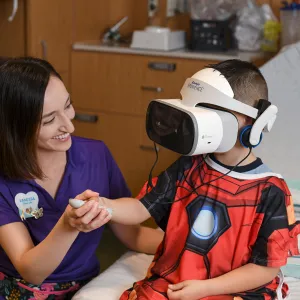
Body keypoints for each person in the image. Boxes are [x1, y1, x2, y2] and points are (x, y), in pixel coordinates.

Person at [80, 60, 300, 300]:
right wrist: (103, 206)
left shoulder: (271, 190)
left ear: (251, 119)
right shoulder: (188, 166)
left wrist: (204, 289)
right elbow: (140, 208)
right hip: (179, 278)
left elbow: (265, 268)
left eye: (208, 110)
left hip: (237, 289)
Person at [0, 57, 163, 299]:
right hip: (18, 290)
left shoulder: (96, 155)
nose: (69, 126)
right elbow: (31, 270)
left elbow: (133, 235)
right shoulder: (5, 182)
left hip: (86, 286)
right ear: (15, 128)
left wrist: (196, 246)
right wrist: (69, 225)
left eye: (68, 106)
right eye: (49, 120)